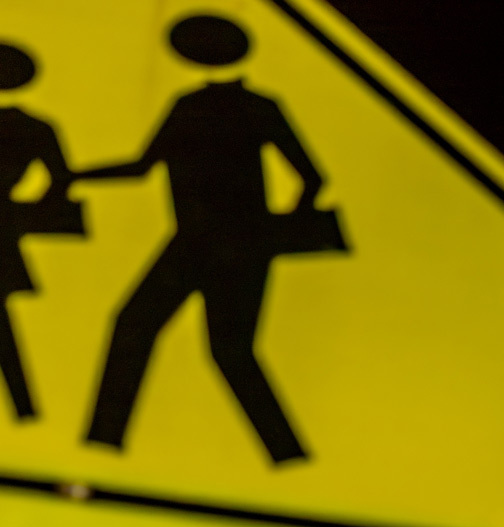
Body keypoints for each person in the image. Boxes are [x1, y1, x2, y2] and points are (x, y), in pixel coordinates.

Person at [80, 14, 342, 464]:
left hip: (232, 245)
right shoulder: (195, 106)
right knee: (141, 328)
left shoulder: (252, 106)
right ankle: (102, 443)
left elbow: (313, 176)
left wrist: (270, 233)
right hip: (198, 243)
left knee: (226, 351)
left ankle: (288, 454)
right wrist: (79, 176)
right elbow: (146, 166)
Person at [0, 43, 82, 422]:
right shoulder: (36, 127)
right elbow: (61, 180)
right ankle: (25, 407)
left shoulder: (32, 128)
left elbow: (60, 179)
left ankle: (25, 407)